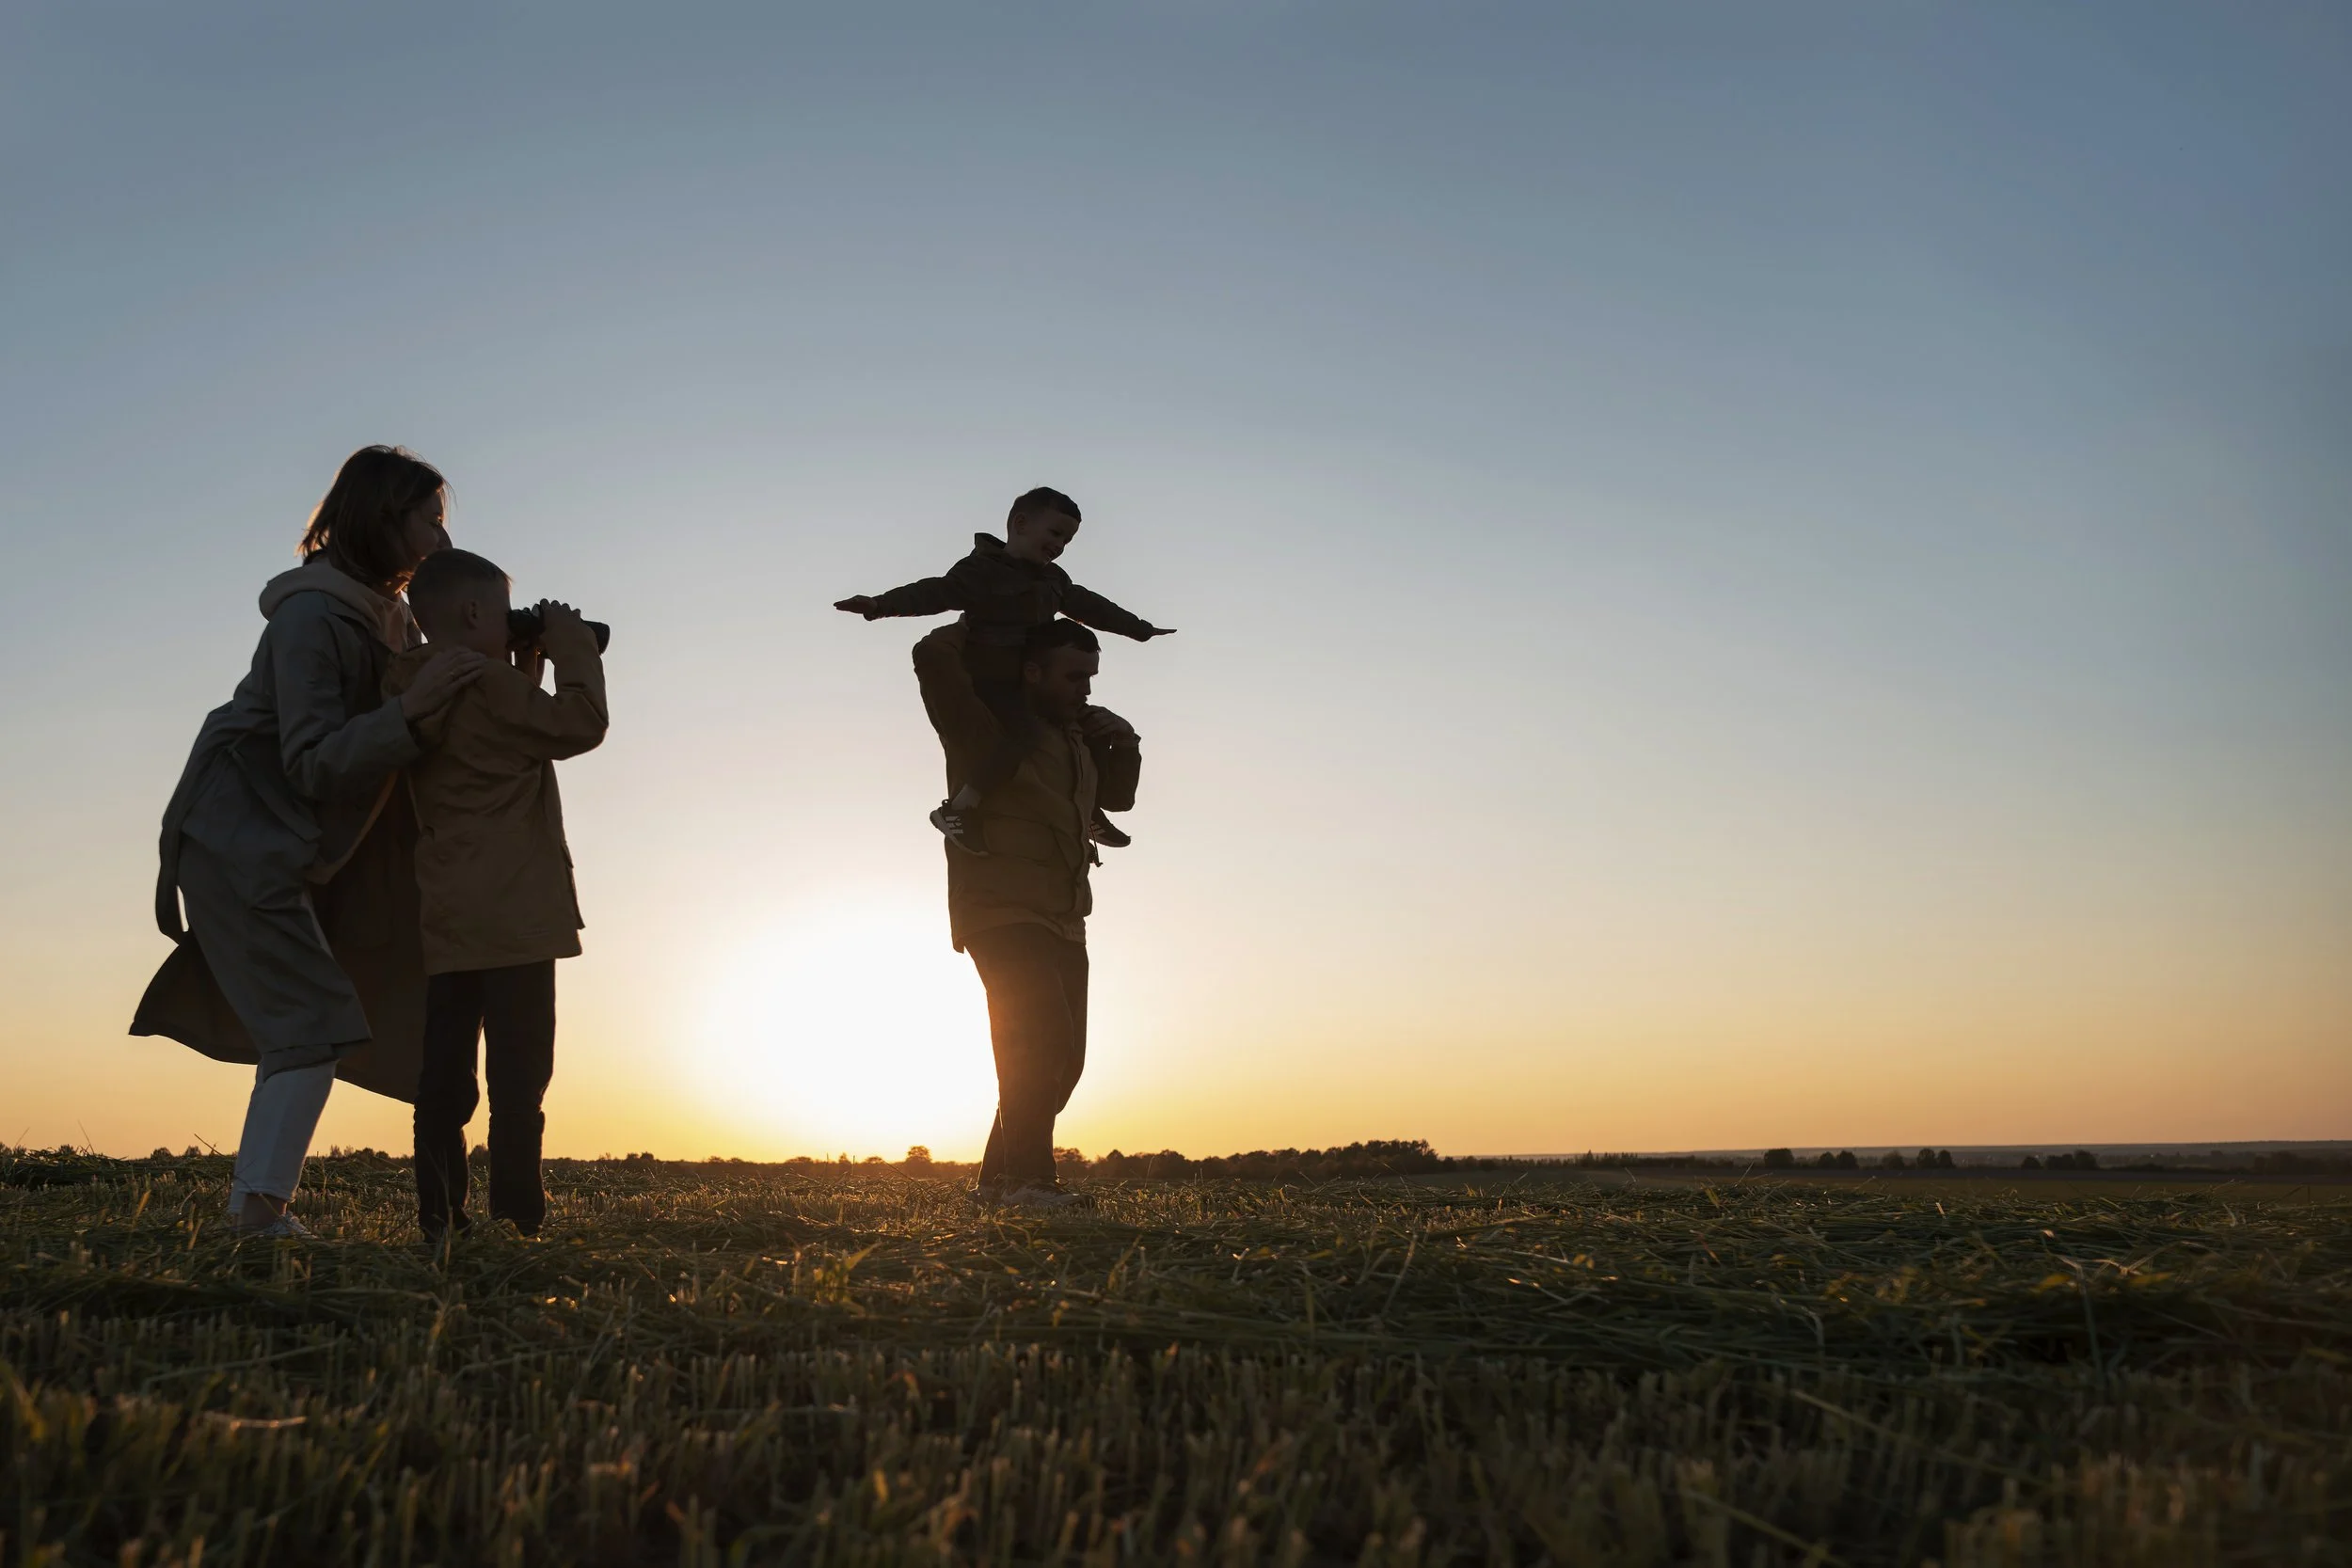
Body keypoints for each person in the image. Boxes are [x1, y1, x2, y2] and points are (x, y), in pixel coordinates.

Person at [131, 445, 486, 1237]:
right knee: (312, 1019)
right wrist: (411, 709)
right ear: (382, 518)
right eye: (429, 520)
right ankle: (259, 1215)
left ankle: (254, 1210)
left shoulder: (390, 617)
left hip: (289, 845)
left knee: (306, 1021)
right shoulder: (311, 618)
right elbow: (313, 759)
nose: (442, 539)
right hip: (239, 837)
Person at [383, 548, 610, 1242]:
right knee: (518, 1080)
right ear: (477, 611)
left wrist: (522, 665)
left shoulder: (411, 682)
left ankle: (439, 1218)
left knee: (444, 1080)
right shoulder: (487, 681)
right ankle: (516, 1219)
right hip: (517, 919)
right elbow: (580, 724)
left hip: (450, 917)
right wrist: (570, 644)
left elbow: (500, 742)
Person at [911, 617, 1140, 1207]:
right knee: (1039, 1040)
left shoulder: (1078, 736)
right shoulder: (984, 728)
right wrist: (987, 617)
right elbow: (931, 655)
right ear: (1032, 671)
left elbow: (1116, 801)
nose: (1084, 690)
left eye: (1090, 678)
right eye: (1073, 677)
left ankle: (997, 1184)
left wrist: (1124, 741)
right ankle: (1030, 1182)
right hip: (1000, 908)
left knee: (1064, 1062)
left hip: (1065, 915)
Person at [835, 487, 1170, 854]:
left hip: (1034, 680)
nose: (1059, 545)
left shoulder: (1054, 580)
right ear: (1021, 524)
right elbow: (935, 592)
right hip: (992, 680)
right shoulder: (982, 572)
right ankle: (961, 808)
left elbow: (1092, 607)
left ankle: (1087, 810)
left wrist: (1139, 629)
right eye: (1055, 533)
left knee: (1085, 725)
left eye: (1067, 540)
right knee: (1022, 735)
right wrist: (880, 605)